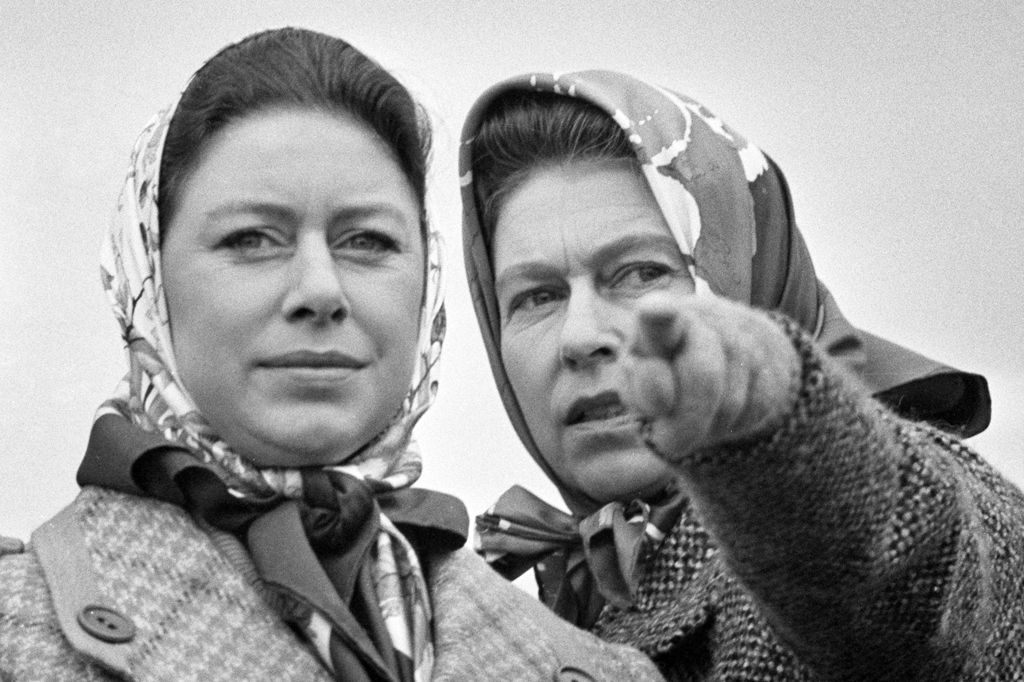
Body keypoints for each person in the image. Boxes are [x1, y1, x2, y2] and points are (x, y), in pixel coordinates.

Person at [0, 33, 665, 681]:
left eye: (369, 241)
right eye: (252, 238)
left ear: (428, 282)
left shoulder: (600, 667)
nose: (320, 290)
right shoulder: (21, 629)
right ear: (148, 279)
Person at [462, 70, 1024, 680]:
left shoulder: (931, 511)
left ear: (754, 283)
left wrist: (780, 429)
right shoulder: (508, 614)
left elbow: (908, 569)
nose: (579, 337)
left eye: (640, 273)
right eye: (537, 296)